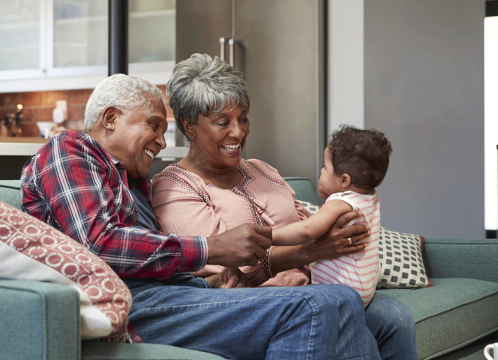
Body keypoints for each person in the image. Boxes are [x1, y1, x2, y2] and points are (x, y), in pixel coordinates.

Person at [21, 73, 383, 360]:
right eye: (154, 125)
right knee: (319, 304)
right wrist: (213, 249)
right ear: (111, 118)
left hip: (169, 298)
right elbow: (100, 244)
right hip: (127, 306)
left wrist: (211, 283)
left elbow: (153, 260)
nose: (162, 142)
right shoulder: (70, 149)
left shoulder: (133, 181)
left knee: (344, 301)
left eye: (164, 130)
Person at [151, 53, 417, 359]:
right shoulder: (174, 187)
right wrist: (317, 250)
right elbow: (225, 265)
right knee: (341, 308)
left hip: (315, 284)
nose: (238, 132)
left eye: (244, 118)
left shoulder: (262, 169)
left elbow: (308, 221)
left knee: (395, 317)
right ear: (190, 126)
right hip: (262, 302)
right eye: (223, 122)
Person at [271, 125, 392, 306]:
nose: (321, 171)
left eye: (324, 167)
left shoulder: (339, 202)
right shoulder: (370, 197)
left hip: (340, 290)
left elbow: (307, 230)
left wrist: (270, 237)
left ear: (344, 180)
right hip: (364, 288)